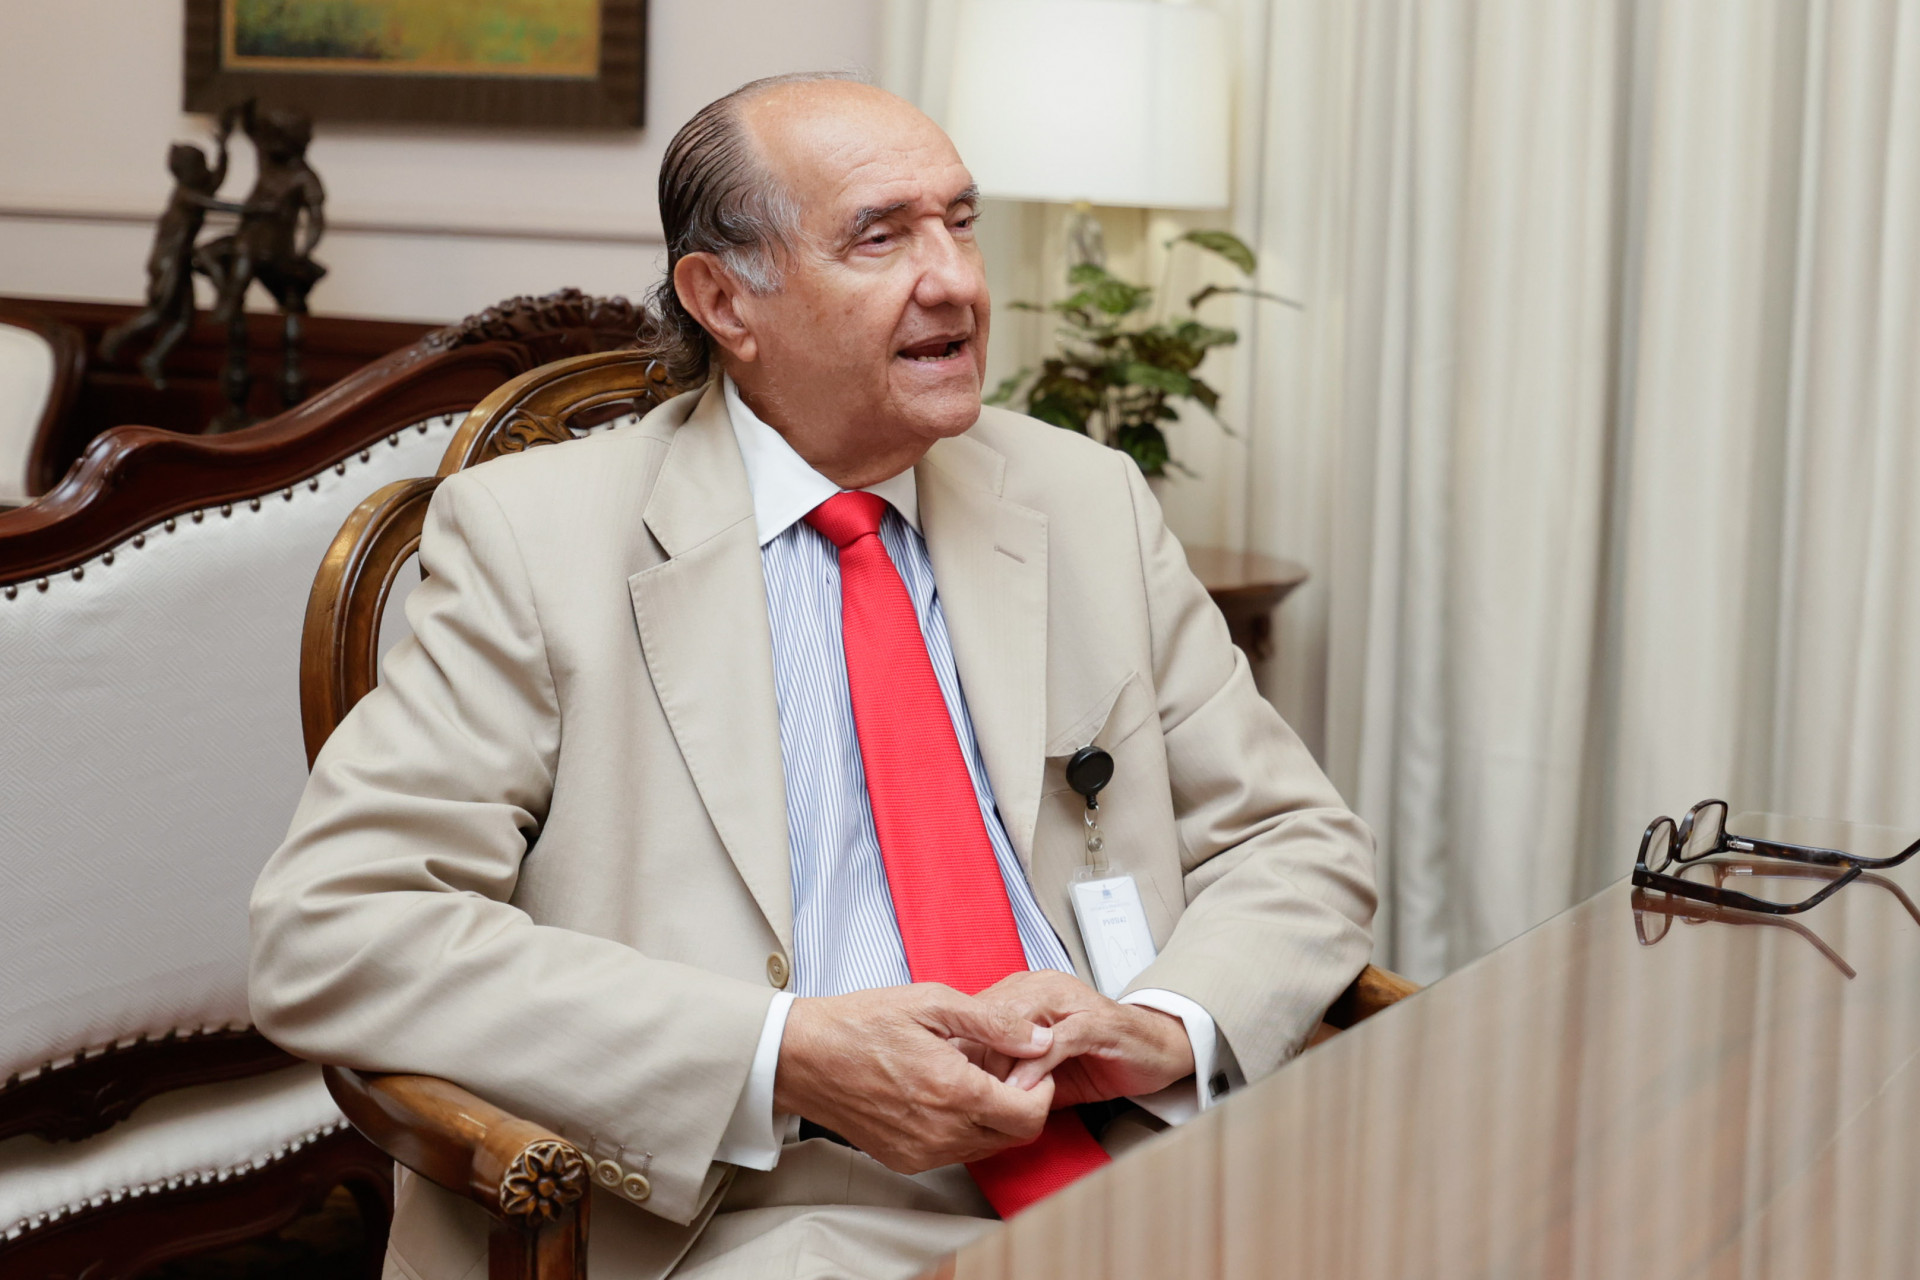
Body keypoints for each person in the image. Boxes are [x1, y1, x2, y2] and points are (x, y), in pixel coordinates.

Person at [249, 73, 1375, 1280]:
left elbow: (1297, 840)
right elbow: (338, 928)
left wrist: (1165, 1022)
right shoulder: (536, 541)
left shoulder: (1082, 499)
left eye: (960, 221)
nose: (955, 280)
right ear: (724, 299)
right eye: (880, 237)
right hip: (742, 1209)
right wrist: (782, 1052)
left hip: (1127, 1168)